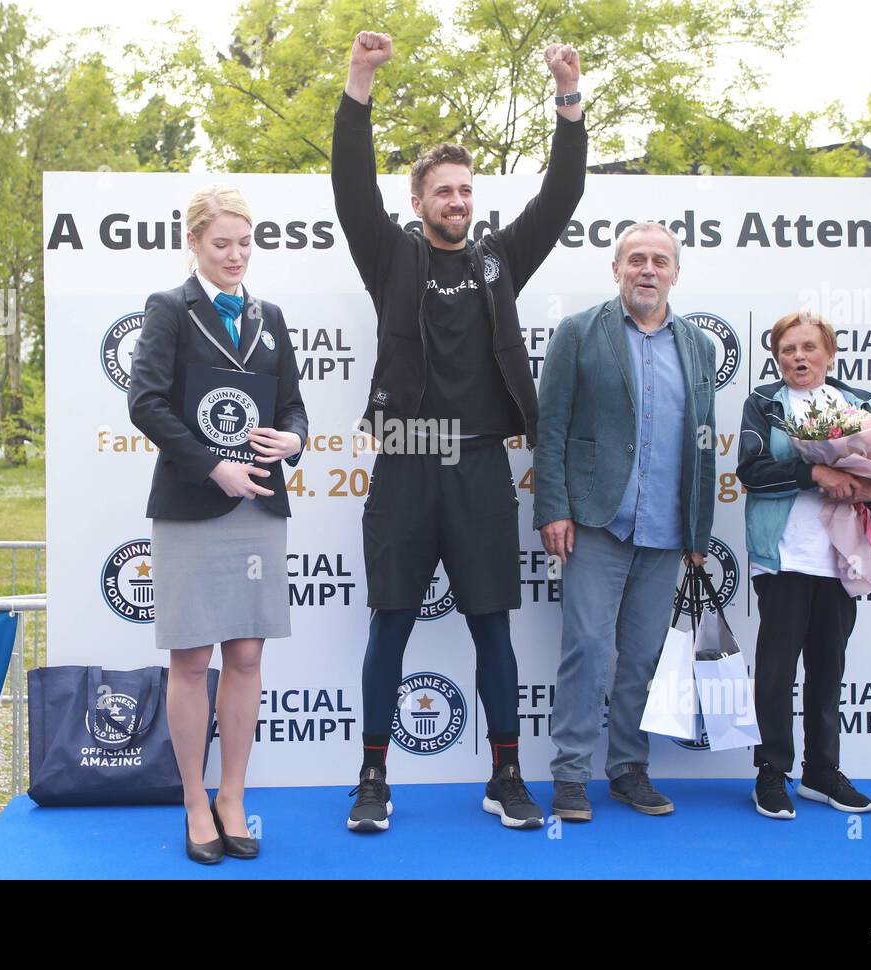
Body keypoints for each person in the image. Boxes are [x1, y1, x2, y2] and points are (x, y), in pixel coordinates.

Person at [332, 30, 587, 831]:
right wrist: (359, 83)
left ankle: (505, 773)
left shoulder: (500, 260)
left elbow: (561, 196)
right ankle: (373, 779)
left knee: (492, 628)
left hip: (480, 464)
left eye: (465, 191)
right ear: (419, 202)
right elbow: (349, 189)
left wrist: (568, 101)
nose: (457, 202)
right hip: (407, 457)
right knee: (391, 625)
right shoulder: (391, 257)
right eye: (443, 192)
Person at [127, 184, 308, 863]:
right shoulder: (169, 310)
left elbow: (293, 407)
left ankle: (233, 795)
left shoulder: (272, 316)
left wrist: (293, 440)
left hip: (258, 502)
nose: (236, 255)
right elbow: (145, 404)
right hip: (193, 503)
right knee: (191, 657)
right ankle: (194, 801)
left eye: (244, 242)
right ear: (195, 244)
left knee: (247, 654)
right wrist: (212, 467)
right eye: (222, 243)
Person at [534, 222, 717, 822]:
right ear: (616, 270)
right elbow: (552, 428)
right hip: (596, 521)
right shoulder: (579, 332)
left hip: (667, 531)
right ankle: (570, 775)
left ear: (675, 273)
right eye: (635, 259)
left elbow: (704, 444)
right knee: (587, 649)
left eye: (659, 261)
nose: (647, 269)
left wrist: (698, 530)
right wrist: (553, 507)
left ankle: (628, 769)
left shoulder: (697, 345)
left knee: (642, 655)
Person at [737, 310, 871, 819]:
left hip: (841, 557)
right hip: (784, 555)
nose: (798, 357)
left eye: (808, 347)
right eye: (788, 350)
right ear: (776, 357)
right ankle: (772, 772)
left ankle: (822, 772)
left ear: (828, 353)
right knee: (777, 668)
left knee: (828, 666)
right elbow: (752, 471)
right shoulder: (764, 404)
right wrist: (813, 472)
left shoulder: (857, 406)